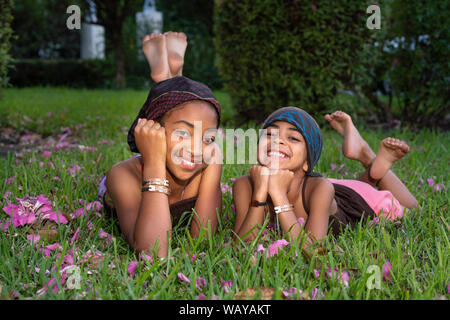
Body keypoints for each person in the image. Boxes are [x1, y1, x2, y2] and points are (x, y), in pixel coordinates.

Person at [99, 32, 223, 257]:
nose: (197, 149)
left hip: (166, 150)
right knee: (175, 109)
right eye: (183, 133)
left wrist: (214, 167)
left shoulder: (205, 165)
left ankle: (168, 79)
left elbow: (202, 241)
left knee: (181, 108)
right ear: (152, 132)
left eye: (209, 138)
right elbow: (152, 253)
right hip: (145, 167)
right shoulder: (123, 175)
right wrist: (154, 162)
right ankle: (167, 78)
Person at [232, 107, 418, 247]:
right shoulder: (244, 184)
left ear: (307, 163)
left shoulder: (320, 187)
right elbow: (242, 243)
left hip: (355, 200)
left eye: (293, 138)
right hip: (327, 191)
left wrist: (278, 195)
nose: (278, 140)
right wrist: (260, 194)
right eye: (270, 134)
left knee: (411, 209)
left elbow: (311, 248)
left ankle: (367, 155)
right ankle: (371, 169)